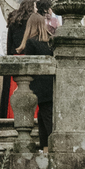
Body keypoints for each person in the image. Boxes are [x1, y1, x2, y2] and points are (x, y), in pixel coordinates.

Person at [16, 11, 54, 151]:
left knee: (47, 119)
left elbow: (29, 67)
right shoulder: (49, 41)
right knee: (43, 117)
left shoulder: (31, 42)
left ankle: (51, 147)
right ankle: (45, 148)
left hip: (38, 85)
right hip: (50, 84)